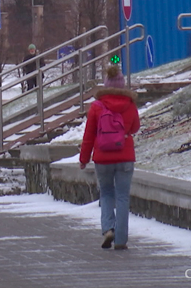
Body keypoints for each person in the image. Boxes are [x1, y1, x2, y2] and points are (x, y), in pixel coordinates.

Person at [79, 65, 140, 250]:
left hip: (103, 158)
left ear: (106, 84)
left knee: (106, 193)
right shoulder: (130, 105)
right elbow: (135, 127)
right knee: (122, 197)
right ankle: (121, 240)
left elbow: (89, 135)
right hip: (125, 157)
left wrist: (83, 158)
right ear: (122, 85)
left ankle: (108, 229)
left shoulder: (97, 106)